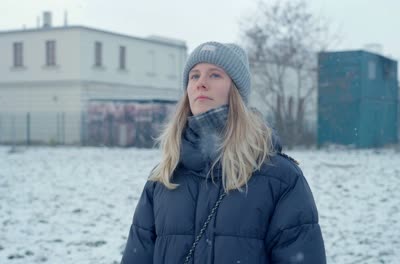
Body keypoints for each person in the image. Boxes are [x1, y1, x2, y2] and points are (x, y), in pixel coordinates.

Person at [120, 41, 326, 264]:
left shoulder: (281, 178)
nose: (201, 83)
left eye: (215, 75)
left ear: (236, 91)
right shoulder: (163, 178)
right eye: (194, 76)